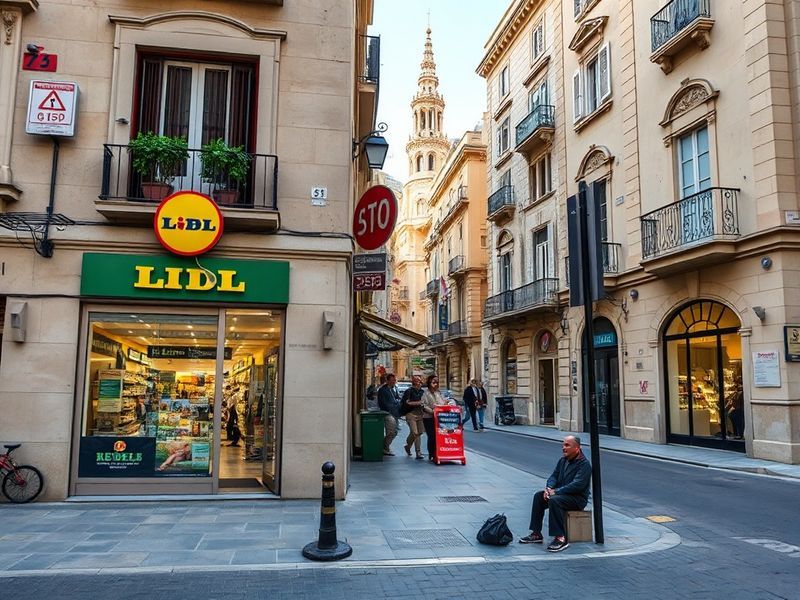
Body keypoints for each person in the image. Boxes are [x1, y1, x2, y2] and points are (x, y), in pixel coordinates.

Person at [519, 435, 592, 552]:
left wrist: (556, 491)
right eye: (563, 445)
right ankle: (536, 533)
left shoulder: (584, 465)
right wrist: (548, 488)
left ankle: (560, 537)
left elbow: (577, 485)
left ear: (577, 448)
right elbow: (554, 476)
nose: (563, 448)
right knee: (539, 496)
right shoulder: (563, 460)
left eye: (567, 445)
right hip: (561, 494)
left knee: (555, 500)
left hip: (577, 499)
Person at [421, 375, 453, 462]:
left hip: (440, 417)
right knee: (432, 436)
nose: (436, 384)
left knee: (440, 435)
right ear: (429, 383)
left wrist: (446, 403)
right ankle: (431, 454)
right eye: (434, 382)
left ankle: (439, 452)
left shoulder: (438, 393)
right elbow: (423, 405)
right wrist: (432, 411)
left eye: (437, 382)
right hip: (429, 417)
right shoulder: (425, 393)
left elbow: (442, 402)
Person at [402, 375, 425, 459]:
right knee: (415, 433)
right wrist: (418, 403)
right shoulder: (409, 391)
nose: (420, 382)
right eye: (418, 381)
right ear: (414, 382)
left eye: (420, 381)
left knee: (419, 432)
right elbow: (407, 402)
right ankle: (418, 452)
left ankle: (408, 446)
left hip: (420, 414)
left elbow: (425, 402)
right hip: (410, 414)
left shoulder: (422, 392)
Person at [378, 373, 400, 456]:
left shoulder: (394, 389)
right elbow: (383, 403)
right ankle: (385, 447)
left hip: (395, 413)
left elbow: (397, 398)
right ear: (387, 381)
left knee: (395, 432)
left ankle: (385, 446)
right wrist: (391, 408)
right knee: (391, 431)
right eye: (392, 380)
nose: (394, 382)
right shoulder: (383, 390)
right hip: (388, 413)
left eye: (395, 380)